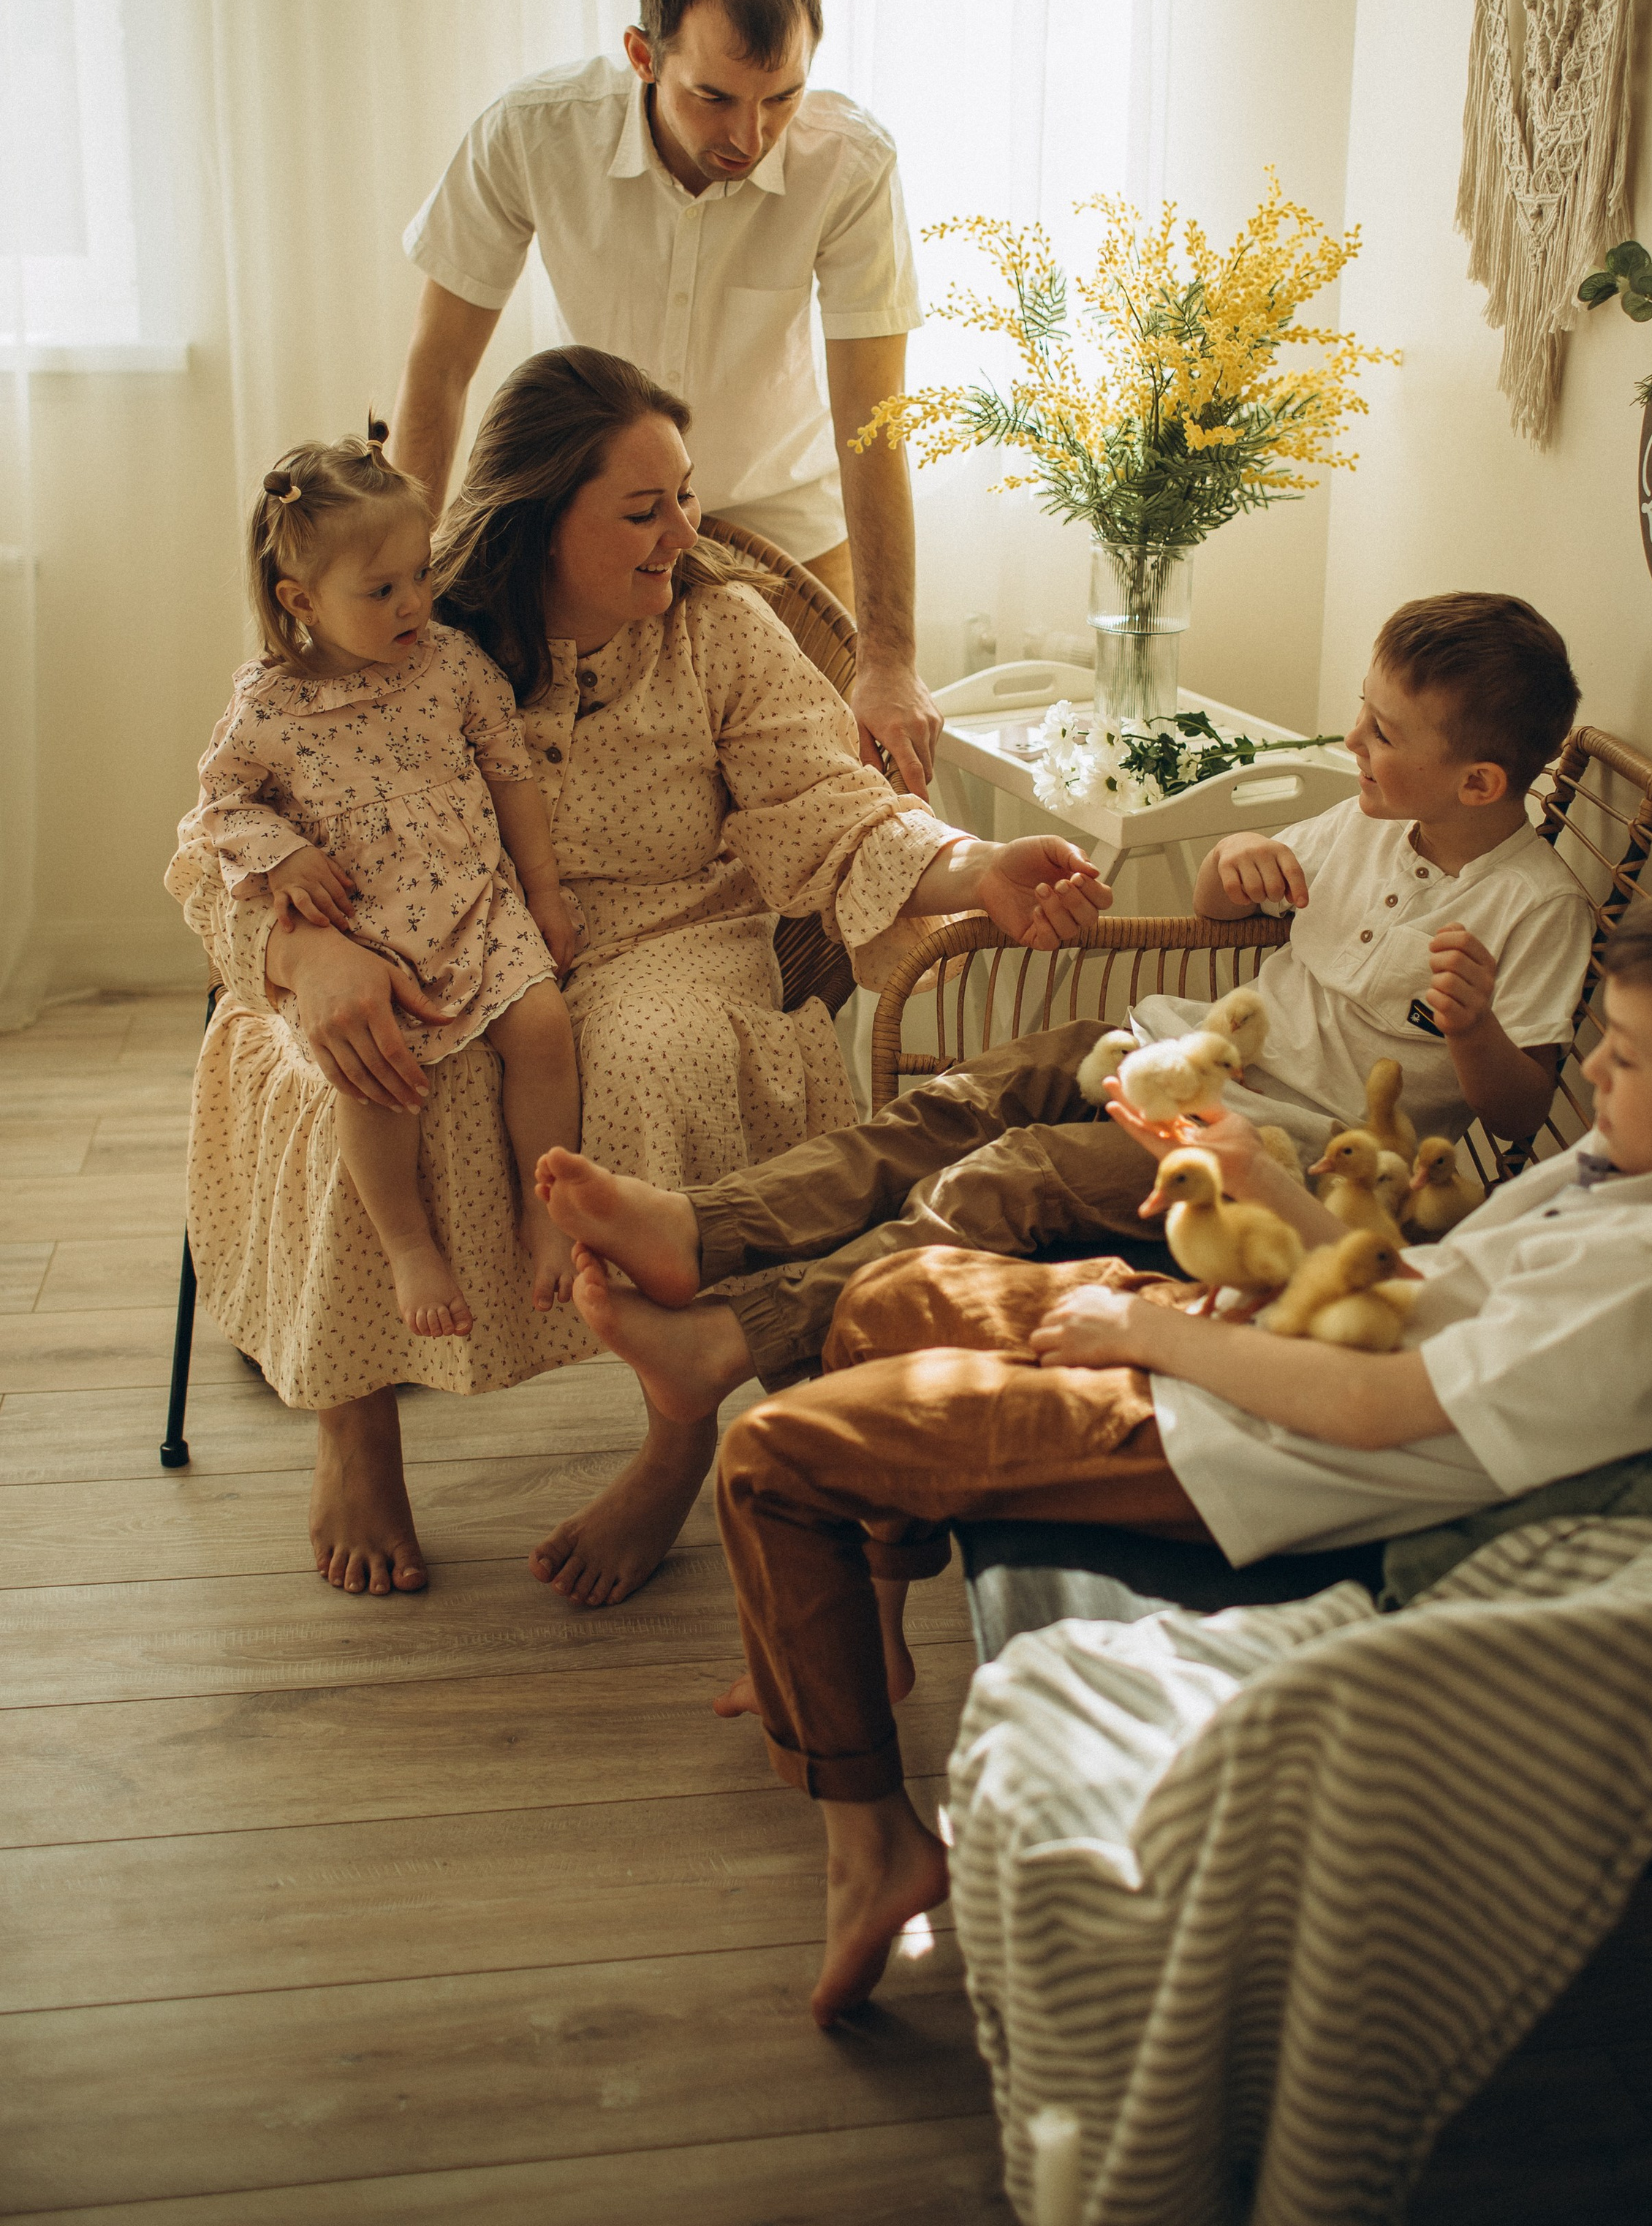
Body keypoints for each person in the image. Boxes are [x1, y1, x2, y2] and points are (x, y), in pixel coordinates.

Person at [692, 866, 1652, 2023]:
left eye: (1625, 1053)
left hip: (1234, 1442)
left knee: (774, 1457)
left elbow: (1377, 1409)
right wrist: (1263, 1181)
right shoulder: (1637, 1166)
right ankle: (869, 1630)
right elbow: (1408, 1287)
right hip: (1265, 1347)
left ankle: (872, 1843)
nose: (1595, 1071)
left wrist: (1145, 1331)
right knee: (892, 1295)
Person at [165, 349, 1110, 1603]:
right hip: (419, 936)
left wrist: (975, 865)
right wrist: (307, 952)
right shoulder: (409, 625)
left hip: (675, 926)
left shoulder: (721, 630)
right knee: (369, 1059)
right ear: (542, 518)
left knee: (654, 1061)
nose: (686, 531)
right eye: (643, 507)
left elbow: (831, 807)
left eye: (688, 495)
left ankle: (677, 1437)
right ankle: (355, 1423)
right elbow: (218, 834)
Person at [525, 591, 1594, 1455]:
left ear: (1480, 781)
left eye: (1381, 730)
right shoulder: (1367, 821)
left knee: (1018, 1170)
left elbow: (1518, 1112)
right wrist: (1233, 865)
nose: (1351, 738)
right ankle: (708, 1230)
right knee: (975, 1094)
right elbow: (1224, 912)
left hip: (1295, 1160)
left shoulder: (1535, 906)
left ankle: (729, 1338)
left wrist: (1474, 1031)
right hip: (1187, 1059)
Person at [393, 0, 942, 792]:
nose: (750, 136)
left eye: (783, 97)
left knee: (841, 797)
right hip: (592, 524)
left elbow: (872, 425)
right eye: (715, 97)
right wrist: (400, 584)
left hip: (789, 530)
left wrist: (888, 656)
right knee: (593, 805)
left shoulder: (850, 164)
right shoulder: (534, 133)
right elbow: (440, 368)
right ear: (643, 56)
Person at [177, 428, 581, 1334]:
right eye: (382, 590)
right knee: (379, 1082)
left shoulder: (452, 665)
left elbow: (511, 774)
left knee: (545, 1029)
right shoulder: (269, 705)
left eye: (420, 576)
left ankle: (546, 1207)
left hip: (478, 902)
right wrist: (280, 852)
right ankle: (409, 1246)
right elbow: (219, 807)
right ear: (301, 601)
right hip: (370, 932)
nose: (414, 604)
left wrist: (544, 894)